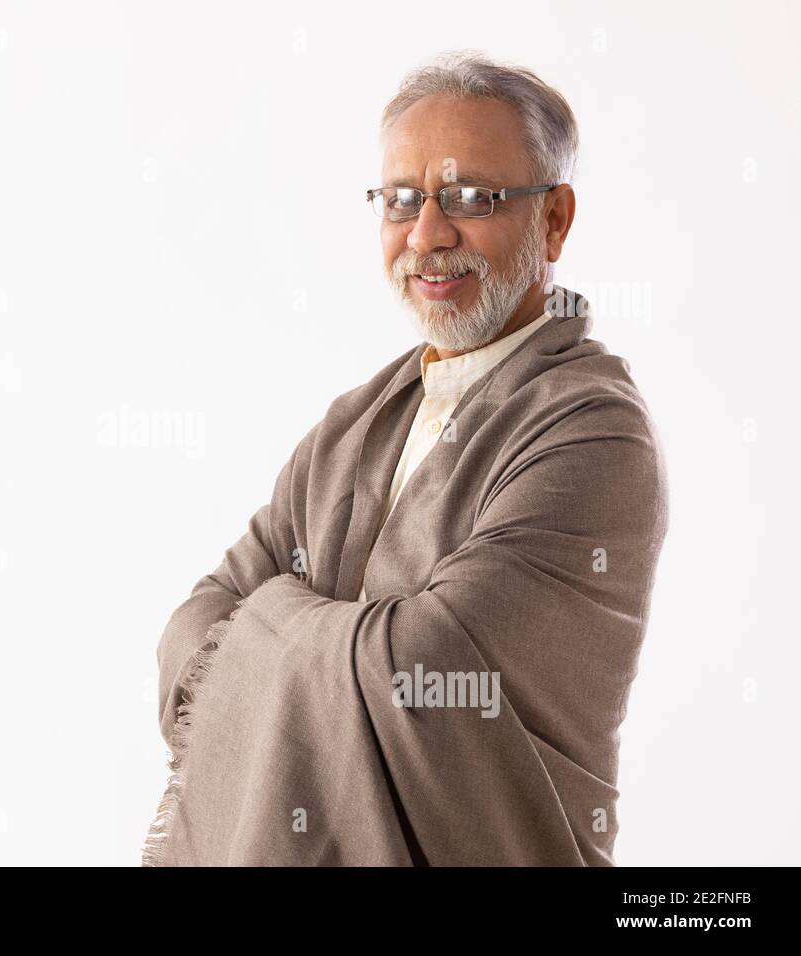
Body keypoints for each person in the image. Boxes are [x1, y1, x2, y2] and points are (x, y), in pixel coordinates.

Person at [145, 51, 669, 866]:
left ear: (555, 219)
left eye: (471, 197)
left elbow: (422, 670)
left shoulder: (592, 431)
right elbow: (186, 638)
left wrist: (272, 621)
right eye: (401, 200)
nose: (427, 235)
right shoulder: (353, 425)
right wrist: (324, 642)